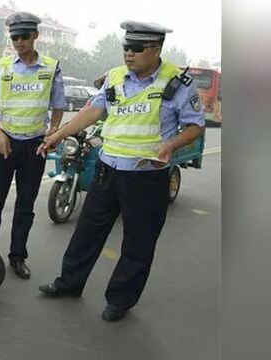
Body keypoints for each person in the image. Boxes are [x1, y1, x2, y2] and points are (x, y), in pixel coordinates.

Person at [37, 20, 205, 322]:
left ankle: (120, 299)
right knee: (87, 233)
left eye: (137, 48)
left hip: (146, 175)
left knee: (138, 242)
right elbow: (94, 110)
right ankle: (69, 283)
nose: (129, 53)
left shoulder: (176, 82)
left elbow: (194, 126)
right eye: (126, 47)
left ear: (155, 49)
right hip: (108, 168)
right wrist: (58, 135)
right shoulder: (115, 76)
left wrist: (170, 146)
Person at [0, 12, 66, 279]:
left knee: (25, 205)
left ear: (35, 36)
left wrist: (52, 131)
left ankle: (17, 257)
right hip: (4, 142)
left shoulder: (51, 68)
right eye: (14, 37)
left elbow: (59, 105)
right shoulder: (3, 66)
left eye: (23, 37)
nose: (18, 42)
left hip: (34, 146)